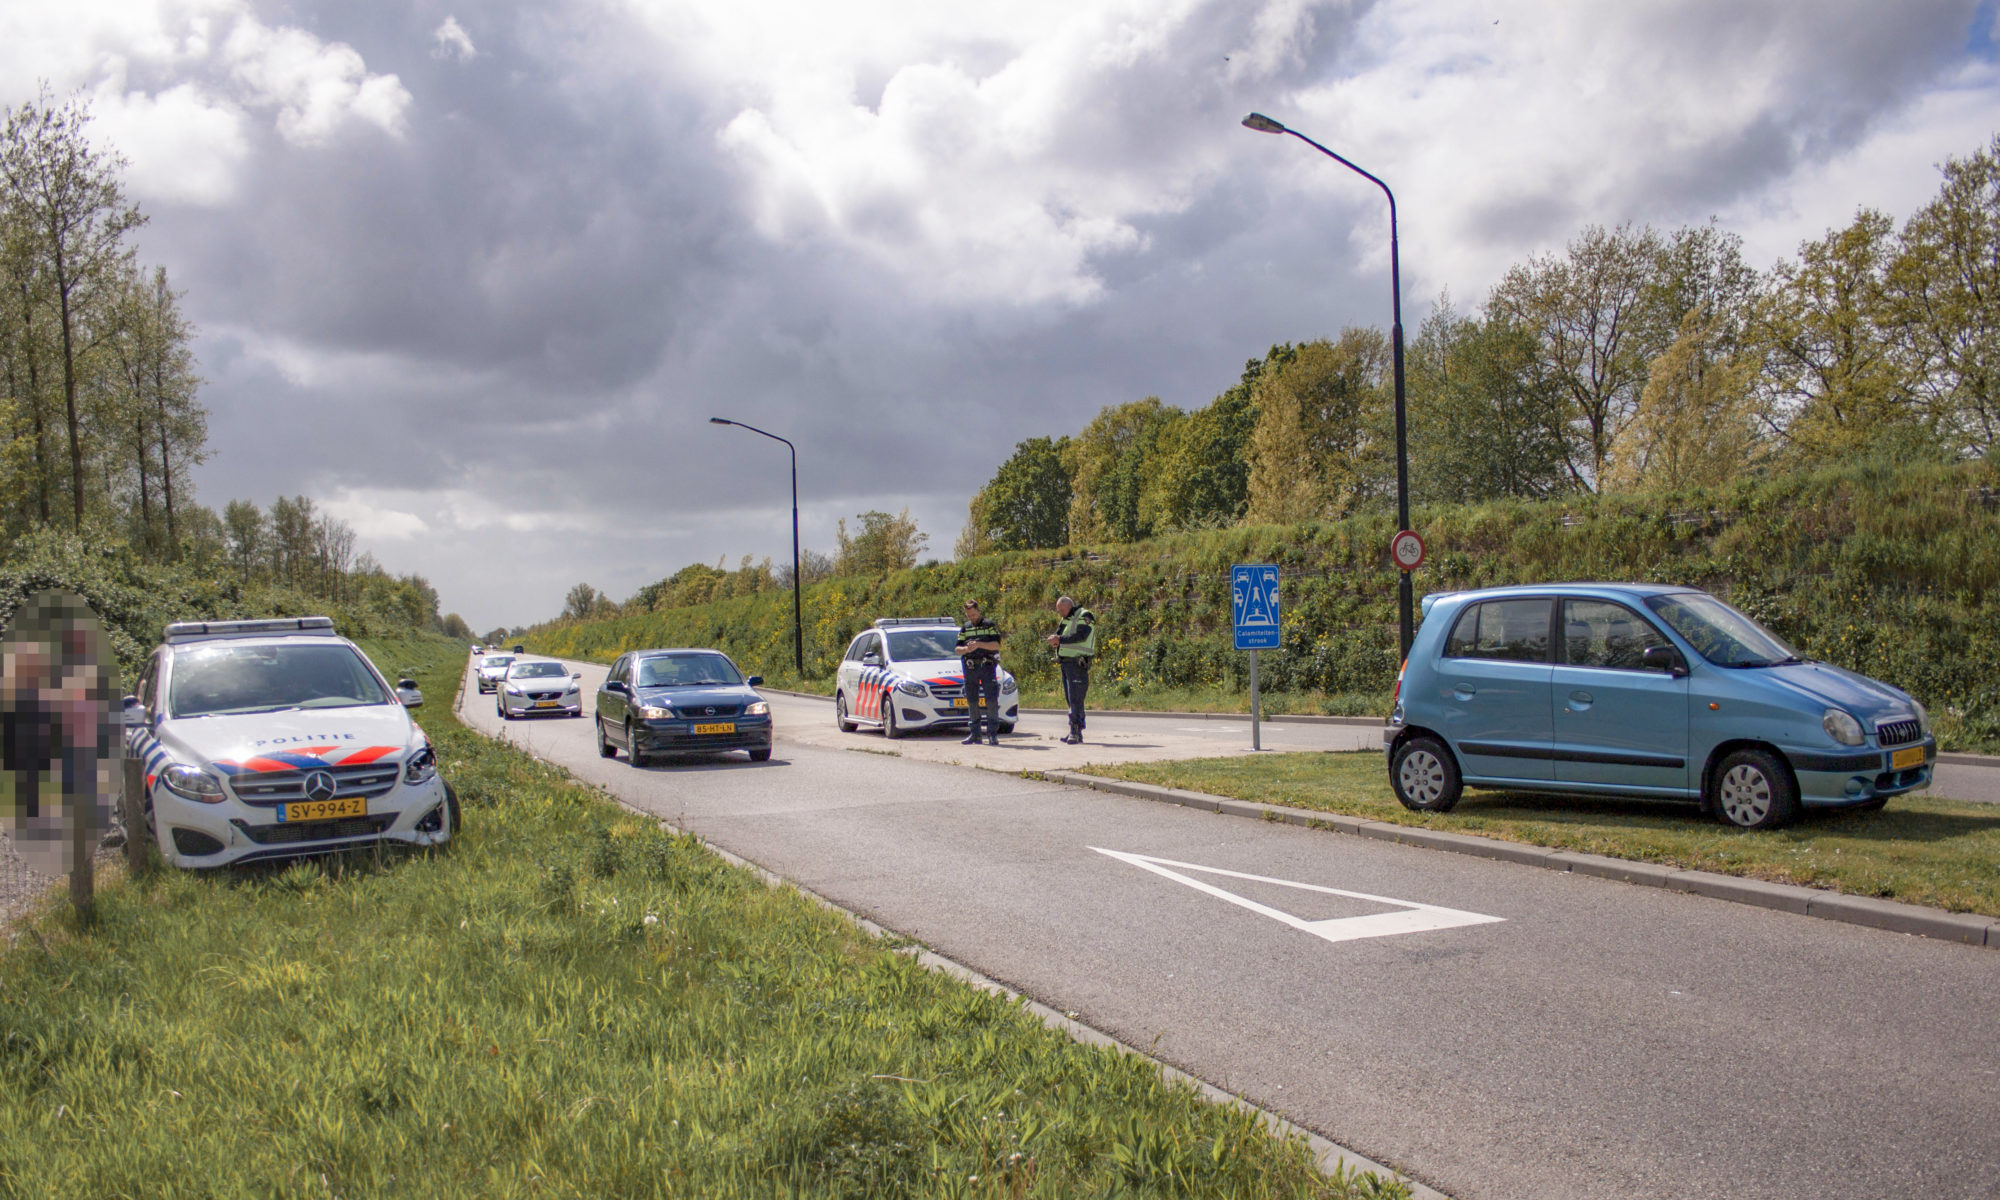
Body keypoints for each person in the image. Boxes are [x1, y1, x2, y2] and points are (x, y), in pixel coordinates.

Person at [1045, 595, 1097, 744]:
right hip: (1066, 663)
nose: (1059, 612)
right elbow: (1061, 635)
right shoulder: (1066, 619)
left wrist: (1059, 640)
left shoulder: (1085, 615)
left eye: (1061, 609)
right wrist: (1055, 640)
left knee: (1075, 698)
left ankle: (1075, 730)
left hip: (1077, 662)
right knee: (1071, 698)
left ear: (1068, 605)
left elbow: (1081, 636)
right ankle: (1076, 730)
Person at [954, 598, 1004, 746]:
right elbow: (957, 649)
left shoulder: (989, 625)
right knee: (972, 701)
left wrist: (979, 644)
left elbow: (996, 645)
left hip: (987, 666)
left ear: (979, 611)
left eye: (974, 615)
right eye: (969, 616)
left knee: (991, 701)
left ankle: (992, 734)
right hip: (970, 667)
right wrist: (966, 649)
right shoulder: (965, 628)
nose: (972, 618)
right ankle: (975, 734)